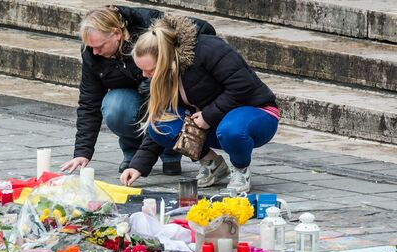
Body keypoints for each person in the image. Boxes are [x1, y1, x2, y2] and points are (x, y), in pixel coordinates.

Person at [120, 15, 279, 192]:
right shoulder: (164, 74)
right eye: (141, 70)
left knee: (231, 130)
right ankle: (212, 164)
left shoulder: (209, 48)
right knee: (160, 125)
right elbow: (161, 119)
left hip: (257, 112)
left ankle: (241, 170)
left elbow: (243, 86)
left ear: (165, 60)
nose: (144, 75)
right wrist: (137, 166)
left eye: (150, 70)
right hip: (214, 120)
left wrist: (208, 115)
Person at [60, 5, 216, 175]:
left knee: (165, 105)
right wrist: (82, 152)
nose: (95, 52)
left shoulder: (147, 23)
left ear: (117, 33)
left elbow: (202, 29)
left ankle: (170, 153)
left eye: (100, 46)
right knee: (115, 106)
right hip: (130, 98)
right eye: (91, 47)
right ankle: (132, 153)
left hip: (167, 91)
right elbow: (89, 102)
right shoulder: (92, 52)